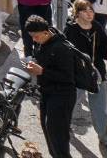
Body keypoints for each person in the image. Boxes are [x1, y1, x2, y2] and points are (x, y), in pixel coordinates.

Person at [24, 14, 83, 158]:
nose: (34, 39)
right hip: (47, 93)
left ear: (46, 32)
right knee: (48, 130)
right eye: (31, 36)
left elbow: (68, 78)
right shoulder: (42, 42)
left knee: (58, 136)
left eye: (36, 36)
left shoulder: (62, 48)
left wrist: (42, 71)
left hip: (62, 96)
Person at [65, 0, 107, 158]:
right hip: (77, 75)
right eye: (85, 10)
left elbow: (106, 46)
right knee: (69, 103)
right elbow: (65, 53)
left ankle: (104, 137)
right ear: (77, 13)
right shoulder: (70, 29)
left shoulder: (97, 28)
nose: (90, 13)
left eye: (91, 10)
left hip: (96, 73)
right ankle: (63, 127)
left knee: (100, 108)